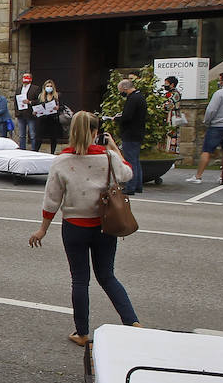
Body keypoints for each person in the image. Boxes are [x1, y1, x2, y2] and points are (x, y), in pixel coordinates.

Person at [28, 113, 140, 347]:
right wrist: (113, 146)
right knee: (107, 276)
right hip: (105, 226)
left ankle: (82, 333)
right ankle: (132, 323)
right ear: (95, 131)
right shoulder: (108, 157)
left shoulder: (61, 161)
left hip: (75, 227)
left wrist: (43, 229)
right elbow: (128, 173)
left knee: (80, 280)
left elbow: (52, 200)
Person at [185, 72, 223, 184]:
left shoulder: (220, 93)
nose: (219, 82)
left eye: (220, 80)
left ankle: (198, 176)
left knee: (207, 150)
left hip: (217, 126)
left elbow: (211, 110)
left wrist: (207, 121)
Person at [116, 78, 147, 195]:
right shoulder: (140, 96)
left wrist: (117, 118)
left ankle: (131, 186)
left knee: (131, 161)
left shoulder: (133, 98)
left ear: (125, 88)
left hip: (130, 133)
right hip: (138, 132)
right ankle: (138, 185)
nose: (121, 93)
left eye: (120, 90)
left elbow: (127, 116)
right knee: (136, 160)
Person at [32, 80, 63, 154]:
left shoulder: (57, 96)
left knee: (53, 138)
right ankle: (36, 152)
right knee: (39, 137)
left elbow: (62, 106)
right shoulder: (41, 96)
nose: (49, 88)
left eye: (51, 86)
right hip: (43, 119)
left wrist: (58, 108)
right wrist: (35, 112)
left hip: (53, 120)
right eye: (47, 86)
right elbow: (37, 106)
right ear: (44, 87)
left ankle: (52, 152)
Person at [15, 72, 40, 150]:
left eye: (27, 77)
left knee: (32, 134)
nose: (25, 78)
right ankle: (22, 149)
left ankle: (33, 149)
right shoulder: (19, 89)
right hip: (21, 114)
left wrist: (29, 102)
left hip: (30, 114)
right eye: (24, 77)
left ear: (31, 79)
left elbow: (38, 100)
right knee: (22, 135)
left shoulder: (35, 88)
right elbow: (15, 101)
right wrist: (17, 112)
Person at [161, 75, 183, 154]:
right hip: (166, 118)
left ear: (172, 84)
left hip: (172, 118)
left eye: (166, 83)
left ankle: (172, 155)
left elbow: (168, 105)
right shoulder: (167, 94)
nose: (165, 85)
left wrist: (162, 105)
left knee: (172, 137)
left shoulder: (176, 94)